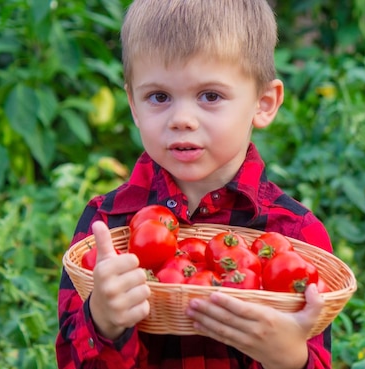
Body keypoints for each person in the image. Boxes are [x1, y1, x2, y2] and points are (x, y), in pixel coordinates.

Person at [55, 0, 334, 368]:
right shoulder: (107, 225)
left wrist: (290, 357)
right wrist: (103, 321)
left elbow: (318, 356)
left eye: (210, 96)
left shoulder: (294, 236)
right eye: (159, 97)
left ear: (263, 103)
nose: (182, 119)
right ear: (134, 106)